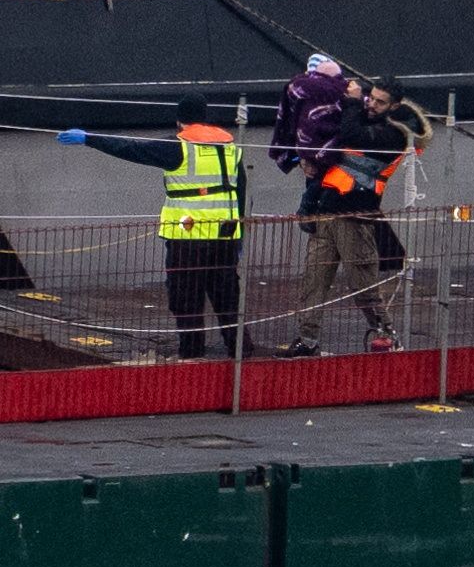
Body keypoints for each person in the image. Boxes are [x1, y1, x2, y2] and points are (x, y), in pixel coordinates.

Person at [57, 93, 252, 359]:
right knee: (227, 298)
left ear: (179, 121)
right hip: (226, 237)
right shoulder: (231, 147)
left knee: (187, 301)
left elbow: (131, 148)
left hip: (188, 238)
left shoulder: (178, 146)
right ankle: (243, 352)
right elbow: (240, 191)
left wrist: (89, 138)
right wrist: (239, 237)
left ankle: (192, 355)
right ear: (206, 117)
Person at [279, 77, 432, 357]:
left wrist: (351, 101)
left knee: (363, 286)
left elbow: (351, 135)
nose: (371, 104)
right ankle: (307, 340)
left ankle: (387, 336)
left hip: (356, 216)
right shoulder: (366, 118)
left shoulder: (394, 135)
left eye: (379, 101)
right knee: (314, 280)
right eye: (370, 98)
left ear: (394, 106)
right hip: (327, 210)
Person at [268, 53, 348, 224]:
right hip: (337, 157)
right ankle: (310, 212)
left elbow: (294, 126)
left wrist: (303, 155)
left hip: (318, 155)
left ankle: (309, 212)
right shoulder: (345, 95)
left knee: (317, 189)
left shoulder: (300, 91)